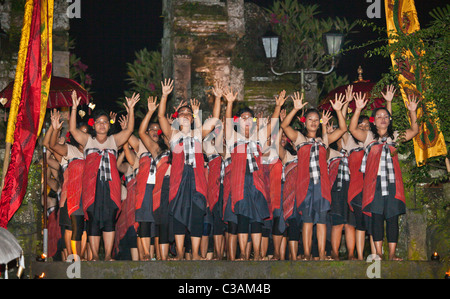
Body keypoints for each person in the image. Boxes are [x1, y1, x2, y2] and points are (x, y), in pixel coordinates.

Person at [69, 90, 139, 261]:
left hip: (109, 185)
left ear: (109, 125)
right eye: (99, 122)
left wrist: (130, 110)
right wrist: (74, 108)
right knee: (92, 219)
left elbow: (129, 129)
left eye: (105, 122)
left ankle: (108, 255)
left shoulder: (114, 140)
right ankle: (93, 256)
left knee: (109, 219)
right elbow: (72, 129)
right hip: (92, 186)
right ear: (94, 125)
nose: (102, 125)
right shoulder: (88, 140)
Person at [349, 91, 419, 260]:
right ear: (374, 121)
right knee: (377, 217)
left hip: (393, 183)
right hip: (375, 184)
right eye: (379, 116)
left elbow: (414, 130)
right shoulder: (369, 137)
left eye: (385, 116)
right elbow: (352, 129)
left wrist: (412, 111)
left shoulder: (395, 136)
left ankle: (392, 253)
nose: (382, 118)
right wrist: (358, 109)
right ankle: (378, 252)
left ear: (389, 120)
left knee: (393, 217)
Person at [281, 92, 346, 260]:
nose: (313, 122)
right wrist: (295, 109)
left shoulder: (324, 140)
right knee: (308, 221)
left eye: (316, 119)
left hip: (322, 186)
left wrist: (338, 111)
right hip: (304, 185)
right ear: (305, 121)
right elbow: (285, 126)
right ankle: (308, 254)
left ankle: (322, 254)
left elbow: (343, 129)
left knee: (322, 220)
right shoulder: (300, 138)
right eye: (310, 119)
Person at [157, 78, 214, 260]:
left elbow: (213, 122)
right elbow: (159, 117)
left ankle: (196, 253)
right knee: (179, 214)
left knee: (197, 212)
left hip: (196, 178)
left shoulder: (198, 133)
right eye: (182, 113)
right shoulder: (173, 134)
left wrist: (216, 101)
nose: (186, 115)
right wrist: (164, 96)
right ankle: (181, 253)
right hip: (179, 179)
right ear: (176, 118)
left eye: (189, 113)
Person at [223, 86, 271, 261]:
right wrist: (229, 103)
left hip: (257, 182)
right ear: (238, 122)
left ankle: (257, 254)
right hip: (240, 184)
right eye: (243, 118)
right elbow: (228, 122)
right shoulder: (234, 138)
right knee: (243, 219)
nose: (247, 120)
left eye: (249, 118)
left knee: (257, 219)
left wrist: (279, 107)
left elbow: (271, 126)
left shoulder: (258, 137)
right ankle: (243, 254)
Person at [48, 109, 89, 261]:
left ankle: (82, 256)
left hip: (88, 195)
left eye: (86, 133)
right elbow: (51, 145)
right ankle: (73, 257)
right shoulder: (70, 150)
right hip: (71, 195)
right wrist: (55, 128)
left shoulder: (92, 152)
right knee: (72, 228)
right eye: (80, 133)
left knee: (84, 229)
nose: (82, 137)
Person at [138, 96, 172, 261]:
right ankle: (148, 255)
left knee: (167, 222)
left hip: (177, 188)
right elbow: (140, 133)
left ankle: (165, 256)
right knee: (151, 220)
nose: (158, 133)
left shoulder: (181, 147)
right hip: (156, 187)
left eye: (162, 130)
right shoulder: (158, 150)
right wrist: (151, 111)